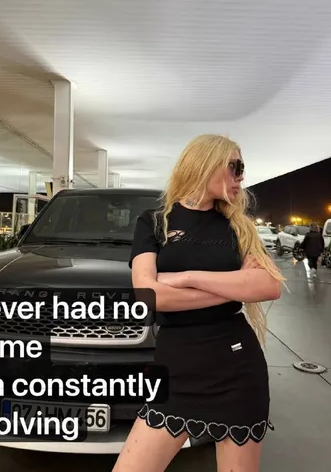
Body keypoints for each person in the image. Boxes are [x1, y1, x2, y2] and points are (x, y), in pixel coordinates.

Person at [112, 134, 285, 472]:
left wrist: (186, 277)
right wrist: (236, 286)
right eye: (234, 166)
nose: (241, 177)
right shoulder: (155, 221)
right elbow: (148, 296)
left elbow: (269, 285)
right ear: (204, 163)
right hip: (175, 370)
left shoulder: (239, 226)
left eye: (242, 168)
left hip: (237, 370)